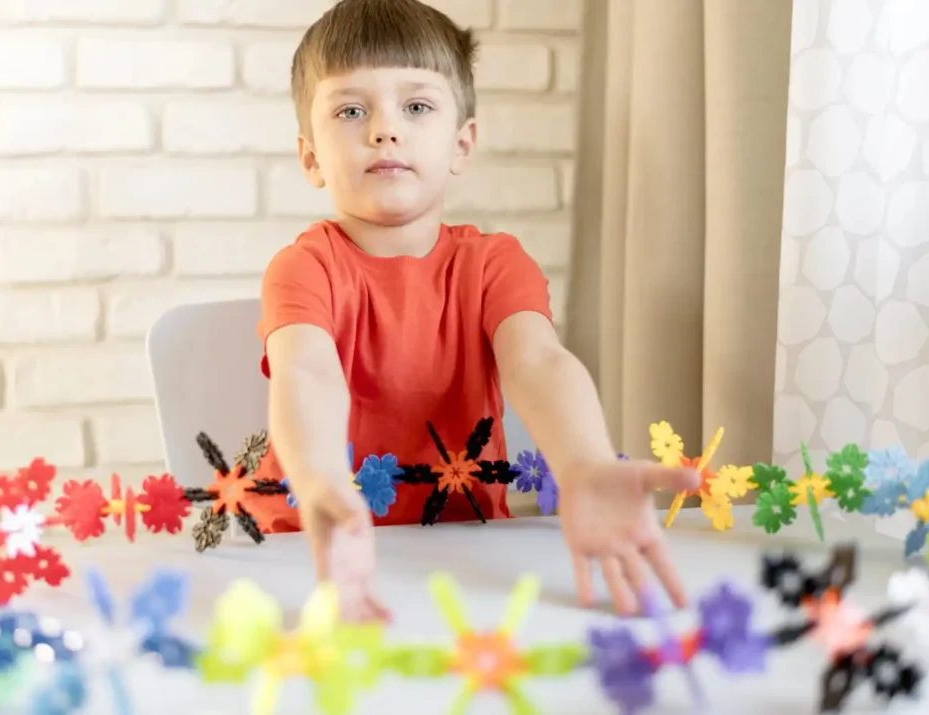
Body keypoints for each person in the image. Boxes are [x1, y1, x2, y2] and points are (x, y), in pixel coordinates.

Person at [252, 0, 700, 622]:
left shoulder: (494, 264)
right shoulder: (303, 267)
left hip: (461, 549)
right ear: (310, 158)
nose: (386, 129)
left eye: (417, 107)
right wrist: (323, 480)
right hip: (311, 548)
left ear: (462, 144)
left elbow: (538, 361)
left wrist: (585, 462)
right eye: (352, 110)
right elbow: (306, 373)